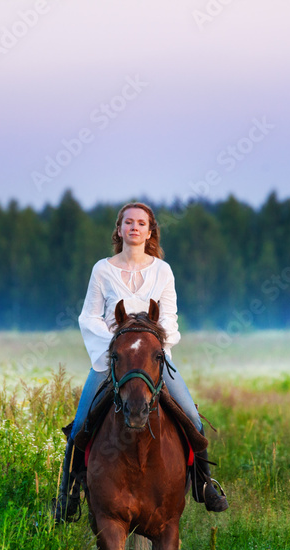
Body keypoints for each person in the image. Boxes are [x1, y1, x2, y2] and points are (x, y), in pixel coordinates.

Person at [54, 202, 229, 524]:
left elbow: (171, 318)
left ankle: (204, 486)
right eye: (128, 222)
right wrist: (117, 341)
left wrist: (155, 344)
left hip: (152, 360)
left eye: (141, 223)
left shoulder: (163, 271)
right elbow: (88, 316)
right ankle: (68, 495)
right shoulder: (102, 269)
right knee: (80, 425)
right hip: (113, 359)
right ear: (119, 229)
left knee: (193, 417)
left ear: (150, 231)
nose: (134, 228)